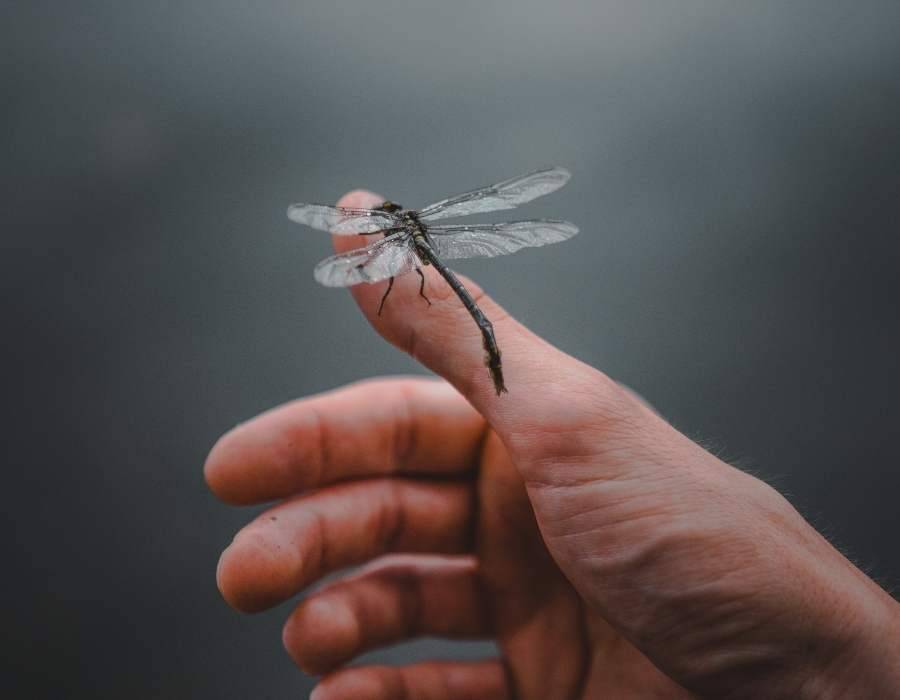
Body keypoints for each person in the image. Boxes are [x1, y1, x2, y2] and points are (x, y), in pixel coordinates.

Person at [205, 190, 900, 699]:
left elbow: (377, 264)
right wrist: (841, 665)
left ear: (391, 226)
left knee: (420, 294)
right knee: (425, 289)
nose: (389, 226)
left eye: (389, 223)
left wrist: (835, 668)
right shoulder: (409, 236)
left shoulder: (394, 244)